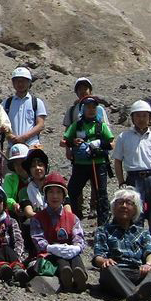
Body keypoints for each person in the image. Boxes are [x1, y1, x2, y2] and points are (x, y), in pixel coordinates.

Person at [94, 187, 151, 301]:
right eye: (120, 202)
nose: (124, 206)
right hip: (116, 272)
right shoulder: (103, 230)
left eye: (129, 203)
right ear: (113, 207)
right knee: (108, 269)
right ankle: (140, 296)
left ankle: (135, 297)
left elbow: (150, 252)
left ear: (136, 209)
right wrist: (104, 261)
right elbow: (98, 255)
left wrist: (148, 264)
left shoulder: (142, 232)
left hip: (138, 272)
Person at [61, 95, 115, 226]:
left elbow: (112, 143)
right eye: (88, 107)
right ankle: (72, 221)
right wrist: (73, 142)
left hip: (98, 164)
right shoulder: (76, 125)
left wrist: (100, 143)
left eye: (94, 107)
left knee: (101, 194)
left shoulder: (101, 126)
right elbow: (63, 141)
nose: (91, 110)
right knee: (72, 192)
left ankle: (103, 225)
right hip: (80, 165)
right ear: (82, 109)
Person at [29, 173, 87, 292]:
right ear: (46, 195)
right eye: (51, 192)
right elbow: (38, 239)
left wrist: (75, 248)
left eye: (58, 192)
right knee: (60, 260)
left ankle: (80, 276)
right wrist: (51, 248)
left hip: (70, 252)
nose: (54, 196)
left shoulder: (73, 218)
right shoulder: (37, 218)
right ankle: (66, 276)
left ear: (64, 196)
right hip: (49, 255)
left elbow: (79, 238)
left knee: (76, 257)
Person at [112, 100, 151, 214]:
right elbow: (118, 161)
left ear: (150, 118)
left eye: (144, 115)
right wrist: (121, 182)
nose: (141, 119)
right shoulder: (123, 137)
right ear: (132, 118)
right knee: (134, 213)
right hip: (133, 179)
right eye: (138, 115)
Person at [2, 67, 47, 148]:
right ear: (13, 83)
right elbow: (1, 123)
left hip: (32, 146)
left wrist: (24, 137)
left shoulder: (37, 102)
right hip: (13, 146)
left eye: (23, 81)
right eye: (17, 81)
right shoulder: (6, 103)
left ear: (29, 82)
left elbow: (40, 125)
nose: (20, 84)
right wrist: (10, 135)